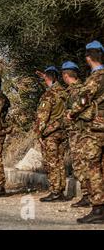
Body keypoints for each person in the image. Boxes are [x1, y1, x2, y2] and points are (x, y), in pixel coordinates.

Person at [68, 40, 104, 224]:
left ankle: (98, 208)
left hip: (96, 130)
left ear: (88, 58)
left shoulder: (95, 78)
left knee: (93, 167)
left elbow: (83, 100)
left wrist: (71, 113)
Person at [34, 66, 68, 202]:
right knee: (60, 162)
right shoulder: (64, 92)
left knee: (52, 162)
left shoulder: (48, 95)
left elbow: (43, 117)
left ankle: (55, 191)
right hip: (62, 132)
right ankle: (60, 190)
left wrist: (39, 134)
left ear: (47, 78)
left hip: (50, 133)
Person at [62, 61, 91, 207]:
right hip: (79, 132)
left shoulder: (76, 91)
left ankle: (87, 195)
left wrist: (70, 115)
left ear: (66, 75)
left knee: (80, 164)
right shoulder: (80, 89)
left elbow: (78, 110)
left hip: (78, 132)